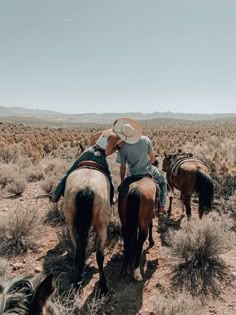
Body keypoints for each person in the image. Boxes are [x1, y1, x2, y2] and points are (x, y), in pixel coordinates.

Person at [49, 118, 140, 205]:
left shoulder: (107, 131)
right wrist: (117, 147)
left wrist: (94, 148)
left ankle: (56, 195)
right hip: (100, 156)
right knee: (109, 177)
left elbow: (92, 138)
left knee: (70, 171)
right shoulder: (115, 137)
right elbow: (107, 152)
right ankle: (111, 199)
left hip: (88, 151)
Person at [115, 119, 167, 211]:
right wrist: (145, 164)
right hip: (147, 170)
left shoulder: (122, 147)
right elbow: (152, 159)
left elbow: (122, 167)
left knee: (122, 191)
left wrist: (122, 181)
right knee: (163, 181)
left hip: (132, 173)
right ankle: (162, 205)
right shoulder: (145, 139)